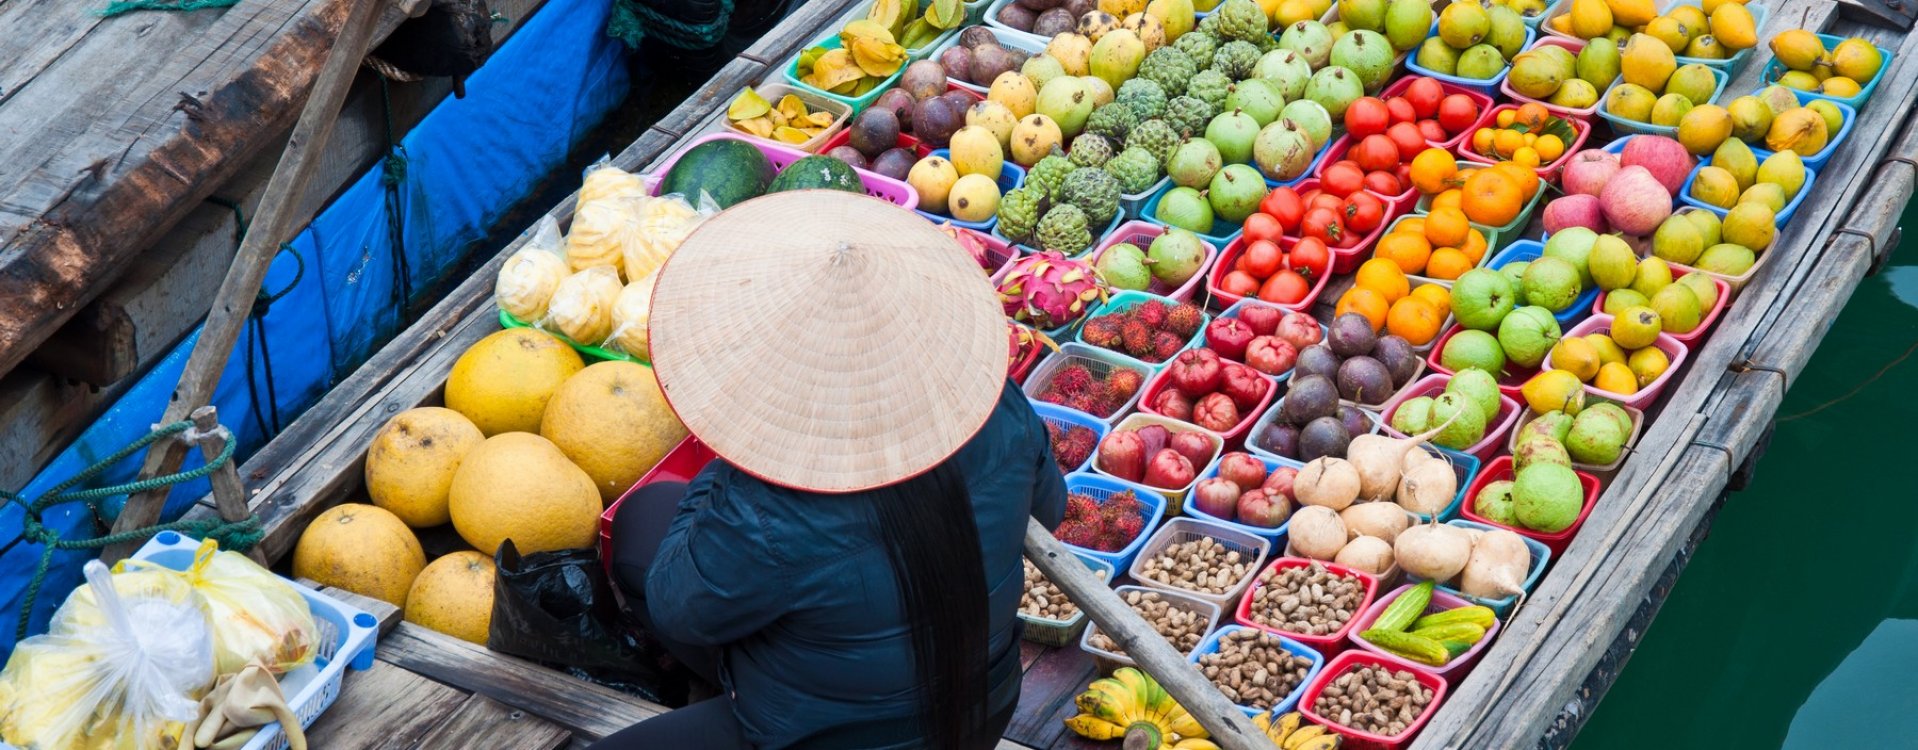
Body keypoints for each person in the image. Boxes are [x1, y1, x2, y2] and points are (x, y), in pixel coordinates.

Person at [592, 190, 1067, 750]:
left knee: (653, 540)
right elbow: (1049, 507)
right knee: (648, 515)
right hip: (983, 706)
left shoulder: (765, 507)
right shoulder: (996, 406)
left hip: (832, 739)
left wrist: (735, 459)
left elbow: (678, 610)